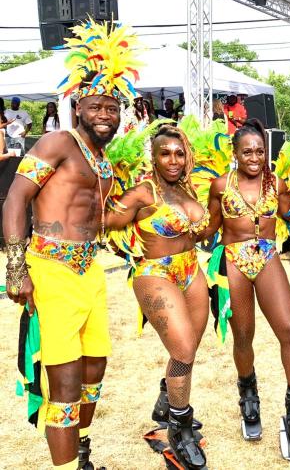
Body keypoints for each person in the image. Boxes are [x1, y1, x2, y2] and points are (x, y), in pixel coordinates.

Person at [3, 20, 141, 470]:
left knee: (93, 369)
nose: (106, 114)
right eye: (97, 106)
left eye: (113, 108)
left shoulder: (103, 161)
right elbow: (16, 198)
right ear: (78, 105)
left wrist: (149, 201)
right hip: (51, 268)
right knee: (63, 380)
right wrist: (16, 269)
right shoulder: (58, 141)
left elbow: (102, 219)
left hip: (90, 272)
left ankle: (80, 453)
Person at [105, 124, 209, 469]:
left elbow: (203, 231)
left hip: (191, 270)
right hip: (156, 272)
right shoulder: (142, 194)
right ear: (154, 156)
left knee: (189, 348)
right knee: (181, 349)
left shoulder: (189, 189)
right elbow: (103, 222)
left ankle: (167, 401)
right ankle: (179, 429)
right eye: (165, 153)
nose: (174, 160)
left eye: (179, 153)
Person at [203, 118, 290, 460]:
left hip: (267, 256)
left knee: (289, 331)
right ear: (234, 153)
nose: (254, 157)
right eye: (247, 151)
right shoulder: (220, 185)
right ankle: (248, 392)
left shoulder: (275, 182)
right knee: (244, 335)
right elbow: (210, 229)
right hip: (233, 260)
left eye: (260, 151)